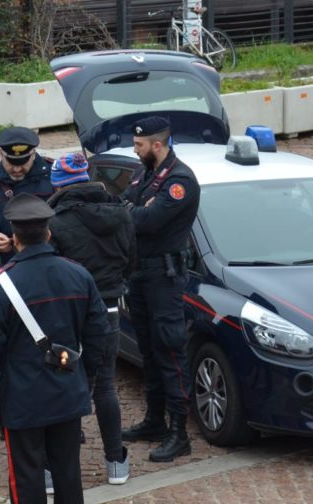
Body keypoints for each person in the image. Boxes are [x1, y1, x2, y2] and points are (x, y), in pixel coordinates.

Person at [0, 194, 109, 504]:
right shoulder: (78, 274)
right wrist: (88, 377)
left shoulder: (2, 284)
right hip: (67, 390)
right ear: (48, 233)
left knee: (27, 475)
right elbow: (98, 336)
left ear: (15, 237)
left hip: (24, 396)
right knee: (67, 471)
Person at [47, 152, 135, 484]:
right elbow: (131, 260)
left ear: (59, 184)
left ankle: (57, 468)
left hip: (68, 314)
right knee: (105, 386)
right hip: (109, 307)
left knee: (64, 387)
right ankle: (116, 462)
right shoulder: (121, 213)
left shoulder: (54, 221)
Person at [119, 116, 200, 463]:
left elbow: (148, 222)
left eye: (139, 145)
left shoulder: (180, 180)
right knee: (148, 352)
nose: (135, 150)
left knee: (170, 352)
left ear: (157, 144)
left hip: (164, 281)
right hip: (139, 277)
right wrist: (134, 210)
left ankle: (179, 432)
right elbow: (121, 207)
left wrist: (133, 212)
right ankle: (154, 421)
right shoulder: (144, 173)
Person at [0, 127, 55, 263]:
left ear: (33, 154)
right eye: (11, 163)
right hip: (4, 263)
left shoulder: (53, 176)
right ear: (1, 154)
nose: (17, 169)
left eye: (23, 162)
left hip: (46, 259)